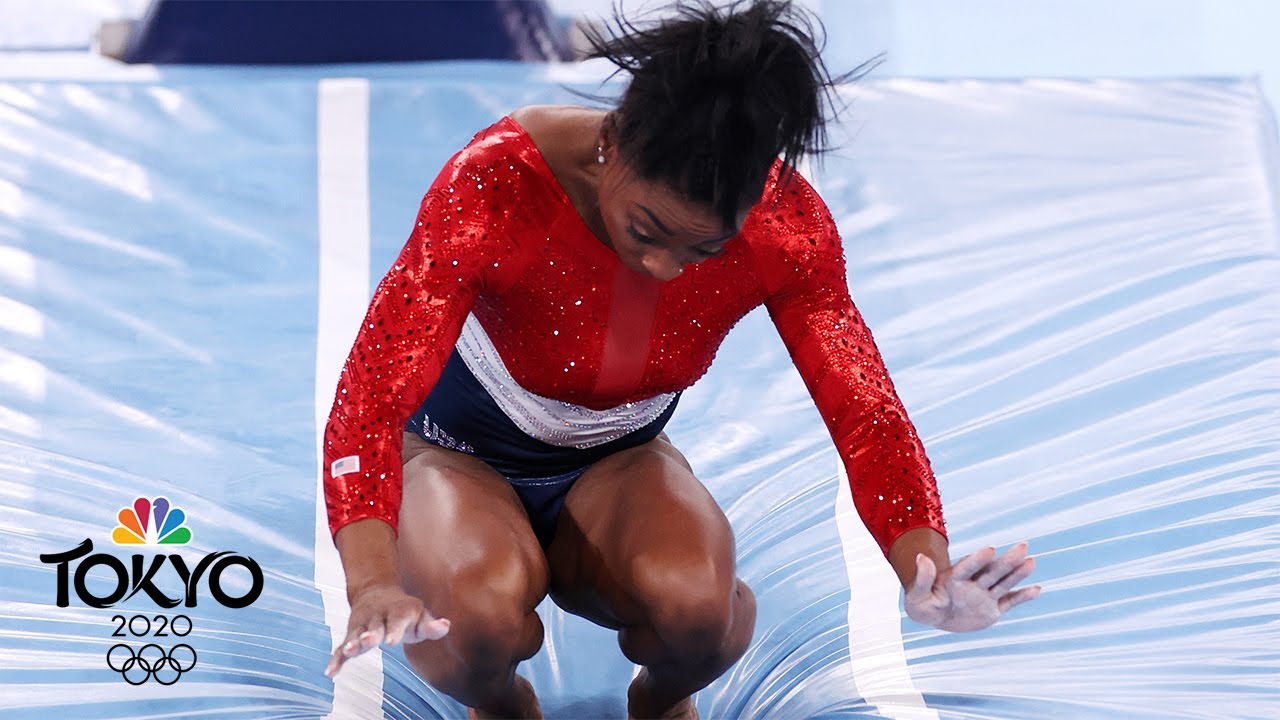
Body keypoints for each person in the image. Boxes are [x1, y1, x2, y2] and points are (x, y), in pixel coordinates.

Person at [320, 1, 1041, 718]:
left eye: (704, 249)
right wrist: (373, 580)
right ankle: (502, 706)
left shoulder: (786, 229)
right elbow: (370, 398)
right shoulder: (497, 184)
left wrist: (924, 567)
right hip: (456, 455)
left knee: (698, 611)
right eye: (647, 229)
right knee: (472, 622)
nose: (664, 267)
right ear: (614, 139)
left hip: (616, 463)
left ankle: (661, 703)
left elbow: (864, 408)